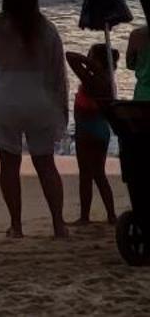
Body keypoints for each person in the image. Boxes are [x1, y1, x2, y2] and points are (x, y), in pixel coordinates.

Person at [0, 0, 70, 240]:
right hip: (38, 99)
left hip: (5, 97)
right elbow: (55, 70)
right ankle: (58, 224)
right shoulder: (46, 29)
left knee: (9, 165)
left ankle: (16, 225)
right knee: (46, 164)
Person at [67, 43, 119, 225]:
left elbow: (70, 56)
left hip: (89, 132)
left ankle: (86, 216)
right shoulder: (106, 79)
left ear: (97, 60)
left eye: (90, 55)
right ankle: (110, 214)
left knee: (89, 175)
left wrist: (87, 62)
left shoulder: (93, 80)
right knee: (97, 174)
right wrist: (93, 63)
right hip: (98, 131)